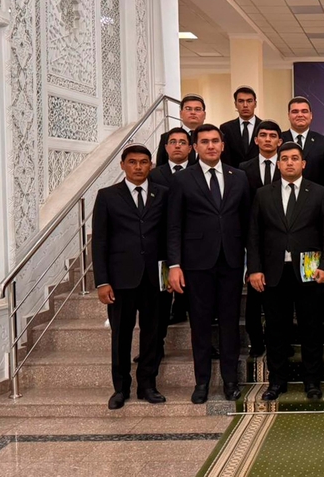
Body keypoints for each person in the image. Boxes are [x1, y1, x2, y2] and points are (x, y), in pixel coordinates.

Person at [166, 124, 251, 404]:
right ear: (195, 147)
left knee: (229, 323)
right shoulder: (182, 179)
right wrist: (174, 265)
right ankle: (201, 382)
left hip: (231, 261)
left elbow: (247, 223)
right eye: (204, 142)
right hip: (196, 263)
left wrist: (252, 263)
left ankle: (230, 381)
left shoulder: (239, 177)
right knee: (200, 324)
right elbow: (174, 225)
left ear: (223, 146)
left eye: (215, 141)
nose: (211, 146)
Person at [248, 142, 324, 401]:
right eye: (284, 158)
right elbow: (254, 235)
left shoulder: (319, 192)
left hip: (310, 272)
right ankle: (277, 382)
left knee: (311, 328)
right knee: (276, 330)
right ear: (278, 164)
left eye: (294, 158)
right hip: (274, 272)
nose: (289, 162)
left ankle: (312, 382)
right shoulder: (263, 194)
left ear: (303, 163)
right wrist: (255, 269)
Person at [92, 144, 171, 409]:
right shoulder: (107, 196)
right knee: (121, 336)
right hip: (120, 279)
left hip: (155, 278)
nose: (138, 167)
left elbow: (170, 235)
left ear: (151, 165)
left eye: (144, 162)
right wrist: (102, 281)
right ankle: (120, 389)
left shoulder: (163, 194)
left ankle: (147, 385)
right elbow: (99, 242)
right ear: (123, 165)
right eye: (133, 162)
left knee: (153, 334)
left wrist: (170, 273)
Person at [238, 120, 284, 358]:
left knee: (281, 298)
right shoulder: (242, 169)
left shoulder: (287, 165)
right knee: (254, 298)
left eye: (272, 135)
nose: (267, 139)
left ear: (280, 141)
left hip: (282, 240)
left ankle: (282, 343)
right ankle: (256, 342)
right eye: (263, 135)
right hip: (253, 239)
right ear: (256, 140)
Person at [148, 127, 192, 325]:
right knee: (163, 289)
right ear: (165, 147)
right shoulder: (154, 175)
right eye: (173, 142)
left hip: (192, 237)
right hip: (162, 239)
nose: (177, 146)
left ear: (190, 148)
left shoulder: (198, 172)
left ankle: (183, 310)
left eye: (182, 142)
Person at [280, 97, 324, 189]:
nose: (300, 115)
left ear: (311, 115)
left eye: (304, 111)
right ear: (288, 115)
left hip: (316, 195)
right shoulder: (279, 140)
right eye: (295, 112)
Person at [156, 94, 206, 166]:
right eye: (188, 109)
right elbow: (160, 168)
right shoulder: (166, 137)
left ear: (204, 114)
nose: (193, 112)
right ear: (181, 113)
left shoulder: (215, 139)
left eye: (197, 109)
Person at [219, 86, 261, 168]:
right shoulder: (226, 128)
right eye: (241, 101)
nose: (245, 105)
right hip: (233, 173)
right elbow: (225, 157)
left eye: (249, 101)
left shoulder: (264, 127)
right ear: (235, 104)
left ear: (255, 103)